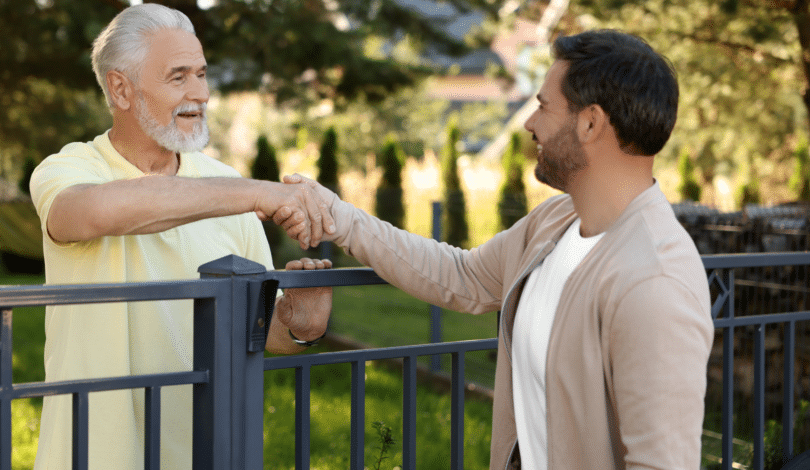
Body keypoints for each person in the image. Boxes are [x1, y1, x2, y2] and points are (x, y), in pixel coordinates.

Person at [273, 30, 714, 470]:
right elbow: (460, 276)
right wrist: (338, 215)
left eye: (543, 106)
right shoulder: (554, 223)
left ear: (591, 123)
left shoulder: (654, 282)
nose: (530, 123)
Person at [29, 3, 335, 470]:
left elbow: (257, 333)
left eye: (202, 74)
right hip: (94, 456)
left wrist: (299, 328)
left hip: (208, 456)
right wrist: (259, 193)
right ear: (121, 88)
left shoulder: (227, 187)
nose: (202, 93)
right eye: (178, 77)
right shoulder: (69, 170)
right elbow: (93, 213)